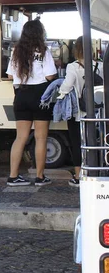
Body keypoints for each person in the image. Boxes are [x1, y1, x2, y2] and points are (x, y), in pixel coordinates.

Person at [6, 19, 57, 186]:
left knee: (20, 137)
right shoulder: (43, 51)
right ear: (39, 33)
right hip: (40, 95)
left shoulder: (16, 51)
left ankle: (13, 176)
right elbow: (50, 76)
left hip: (21, 94)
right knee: (41, 138)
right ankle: (40, 177)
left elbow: (10, 76)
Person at [57, 37, 86, 187]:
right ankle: (95, 171)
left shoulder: (73, 67)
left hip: (78, 113)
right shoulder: (100, 65)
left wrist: (59, 94)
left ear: (76, 50)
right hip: (96, 113)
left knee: (77, 143)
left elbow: (66, 86)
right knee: (94, 142)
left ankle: (78, 176)